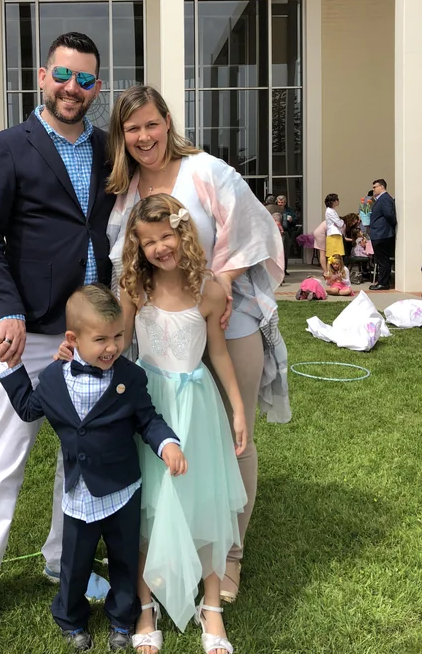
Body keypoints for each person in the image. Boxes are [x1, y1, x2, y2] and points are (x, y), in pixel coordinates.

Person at [0, 32, 115, 653]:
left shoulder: (108, 147)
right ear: (43, 76)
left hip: (94, 333)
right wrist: (7, 311)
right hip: (32, 335)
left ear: (97, 87)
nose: (73, 89)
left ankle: (61, 561)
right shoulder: (8, 146)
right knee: (4, 459)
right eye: (63, 76)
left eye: (86, 80)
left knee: (81, 456)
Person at [106, 85, 290, 614]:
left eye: (151, 124)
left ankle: (229, 553)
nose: (144, 137)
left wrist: (224, 281)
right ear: (123, 137)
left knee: (233, 437)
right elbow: (125, 265)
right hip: (161, 336)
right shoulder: (127, 190)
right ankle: (173, 542)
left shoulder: (207, 171)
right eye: (133, 129)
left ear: (167, 121)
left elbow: (253, 229)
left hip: (225, 318)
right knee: (166, 439)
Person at [1, 285, 185, 652]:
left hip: (121, 489)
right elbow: (28, 409)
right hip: (79, 494)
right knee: (74, 562)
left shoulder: (130, 377)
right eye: (100, 339)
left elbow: (148, 419)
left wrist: (167, 443)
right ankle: (71, 619)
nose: (112, 347)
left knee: (123, 559)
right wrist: (13, 367)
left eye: (117, 336)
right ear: (73, 339)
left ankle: (122, 618)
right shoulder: (54, 379)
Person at [119, 195, 247, 654]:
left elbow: (218, 353)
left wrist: (237, 408)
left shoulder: (208, 291)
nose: (160, 248)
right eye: (148, 241)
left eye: (166, 236)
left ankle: (210, 607)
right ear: (138, 247)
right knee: (148, 507)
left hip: (196, 406)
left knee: (202, 502)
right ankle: (145, 605)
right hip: (149, 406)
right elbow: (119, 342)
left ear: (182, 232)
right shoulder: (135, 289)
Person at [368, 178, 397, 291]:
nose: (373, 189)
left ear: (382, 187)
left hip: (382, 233)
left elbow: (389, 215)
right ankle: (382, 282)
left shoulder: (384, 198)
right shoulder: (380, 199)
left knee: (382, 260)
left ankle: (383, 283)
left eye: (375, 187)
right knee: (381, 259)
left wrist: (392, 225)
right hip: (379, 232)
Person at [275, 195, 296, 276]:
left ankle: (284, 269)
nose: (280, 204)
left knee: (286, 252)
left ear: (285, 203)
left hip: (286, 232)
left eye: (282, 202)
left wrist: (291, 220)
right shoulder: (274, 210)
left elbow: (295, 222)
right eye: (279, 202)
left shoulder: (289, 211)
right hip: (276, 234)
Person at [324, 193, 345, 264]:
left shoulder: (332, 210)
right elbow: (340, 223)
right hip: (333, 235)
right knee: (333, 255)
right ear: (333, 201)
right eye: (337, 199)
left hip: (336, 234)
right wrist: (341, 221)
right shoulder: (330, 211)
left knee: (337, 255)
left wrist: (340, 222)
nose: (338, 201)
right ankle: (331, 269)